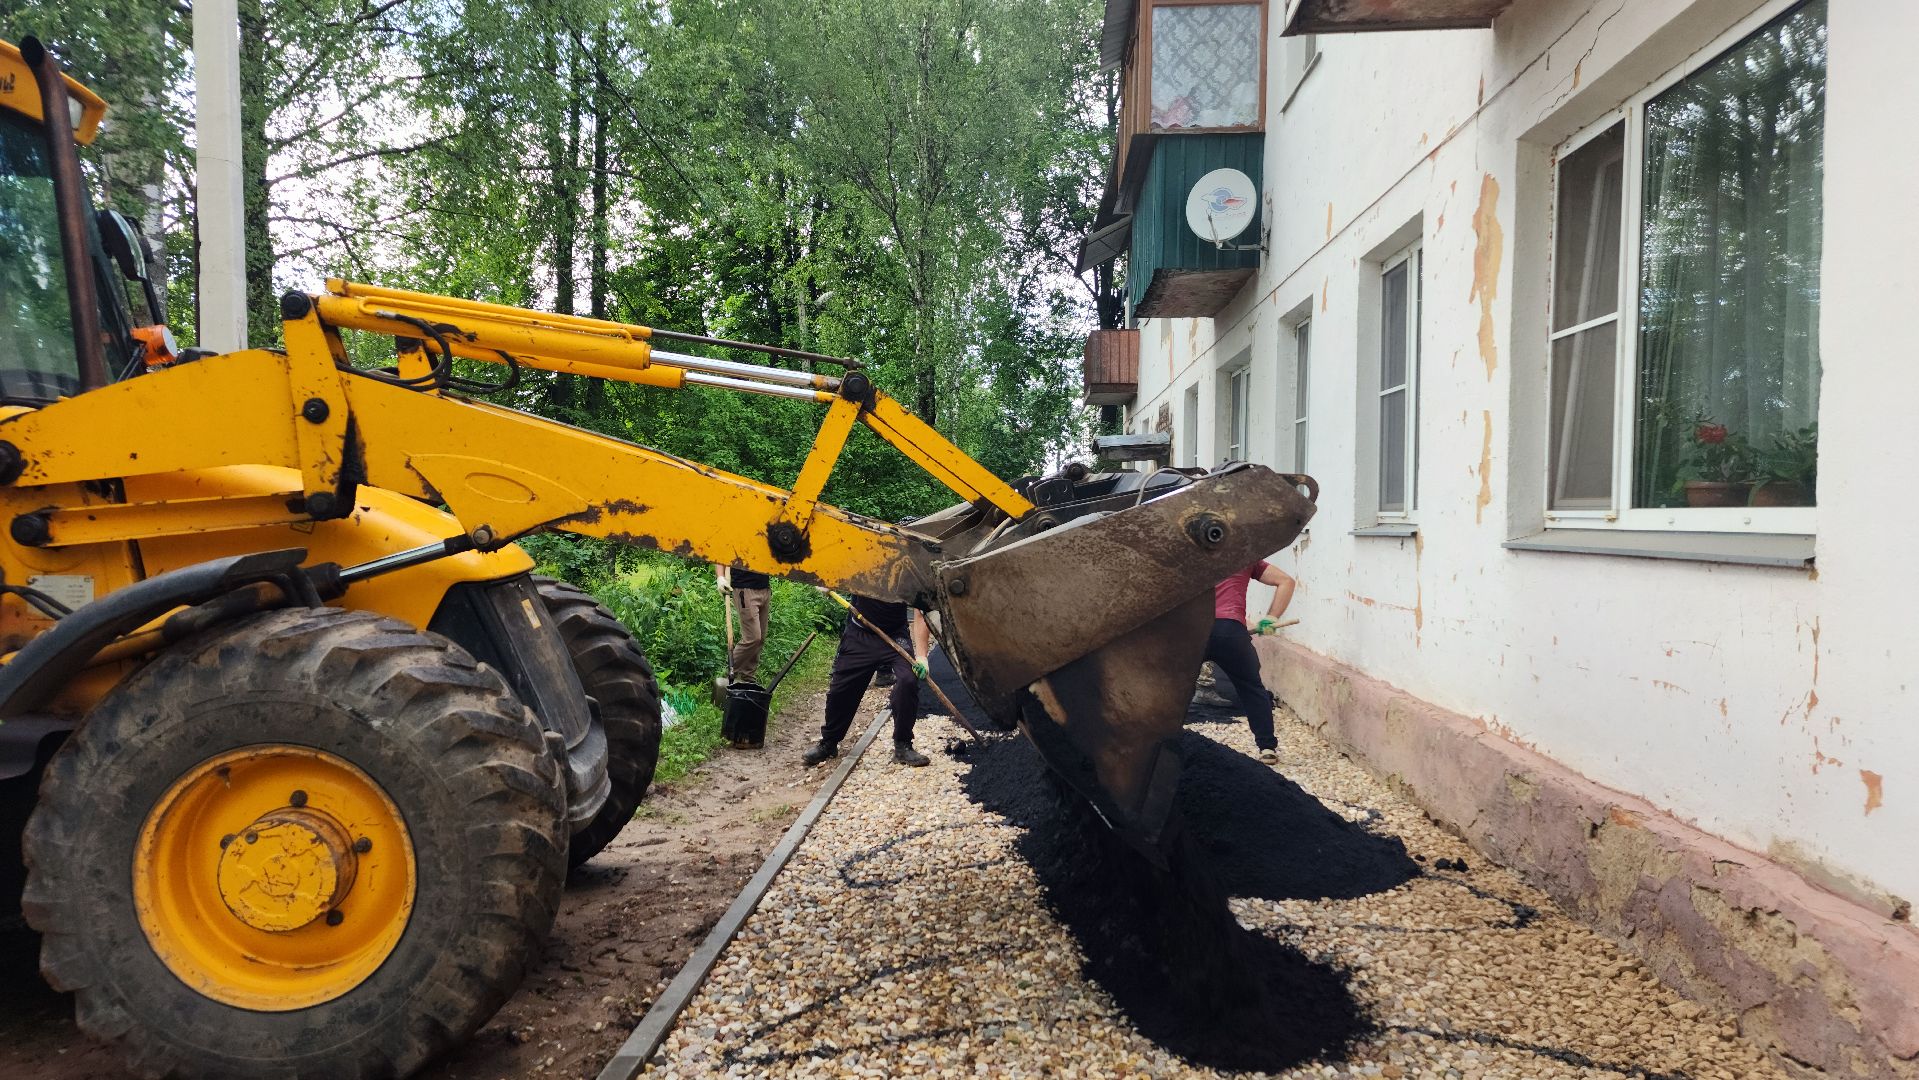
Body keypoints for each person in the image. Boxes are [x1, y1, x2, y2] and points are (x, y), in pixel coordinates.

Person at [803, 596, 933, 768]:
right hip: (860, 633)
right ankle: (829, 743)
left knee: (908, 681)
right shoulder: (865, 568)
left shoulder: (909, 571)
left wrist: (922, 656)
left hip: (894, 635)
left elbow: (921, 612)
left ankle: (903, 745)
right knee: (840, 689)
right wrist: (826, 580)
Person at [1208, 559, 1296, 764]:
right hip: (1230, 631)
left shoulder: (1190, 555)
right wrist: (1271, 618)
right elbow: (1286, 581)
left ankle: (1164, 742)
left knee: (1178, 690)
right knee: (1251, 688)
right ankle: (1267, 747)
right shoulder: (1245, 557)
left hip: (1194, 631)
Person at [715, 564, 771, 683]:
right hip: (745, 588)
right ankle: (728, 674)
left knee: (760, 639)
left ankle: (748, 678)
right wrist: (720, 577)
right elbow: (722, 552)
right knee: (753, 638)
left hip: (764, 587)